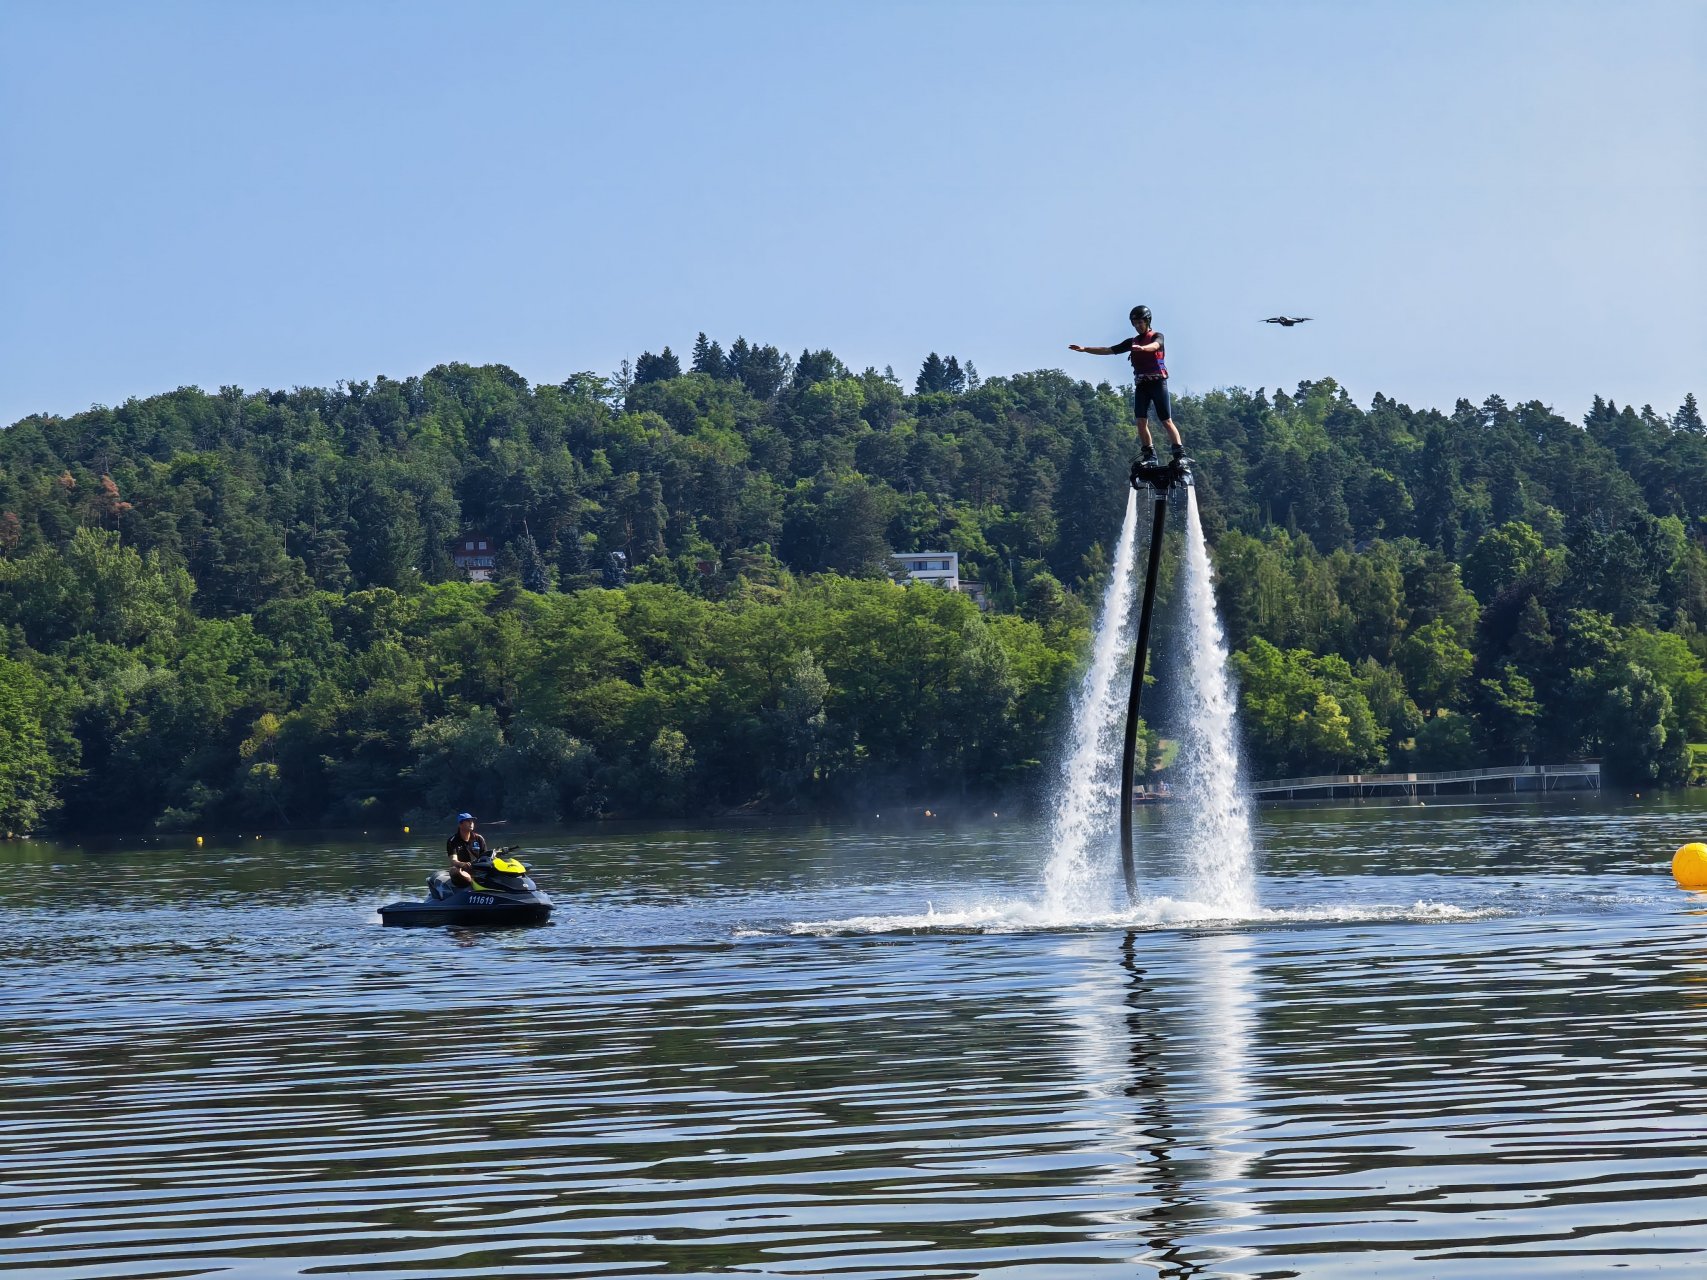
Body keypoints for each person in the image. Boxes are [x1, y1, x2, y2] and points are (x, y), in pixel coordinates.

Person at [1069, 305, 1185, 465]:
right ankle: (1150, 456)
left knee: (1166, 420)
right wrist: (1085, 349)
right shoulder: (1132, 342)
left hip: (1158, 383)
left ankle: (1180, 455)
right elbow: (1108, 350)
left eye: (1140, 323)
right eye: (1135, 324)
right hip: (1142, 386)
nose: (1138, 326)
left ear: (1148, 321)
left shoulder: (1157, 336)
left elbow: (1155, 346)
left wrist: (1143, 348)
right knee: (1140, 421)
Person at [445, 812, 489, 888]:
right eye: (468, 821)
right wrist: (463, 864)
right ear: (460, 824)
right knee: (453, 870)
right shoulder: (452, 841)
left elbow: (486, 856)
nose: (471, 823)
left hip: (479, 868)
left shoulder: (479, 838)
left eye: (472, 821)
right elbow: (453, 861)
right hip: (463, 869)